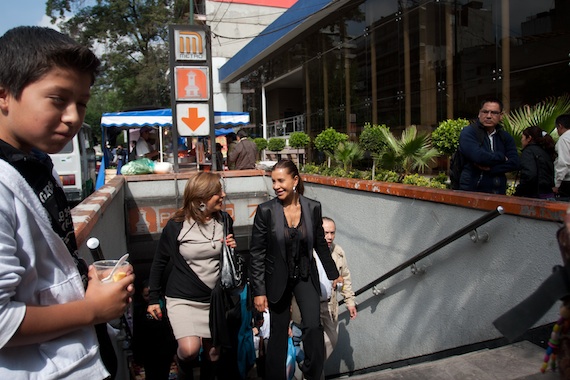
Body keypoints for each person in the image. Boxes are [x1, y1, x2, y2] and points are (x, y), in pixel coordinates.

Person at [0, 26, 134, 379]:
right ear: (4, 95)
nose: (74, 116)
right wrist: (91, 309)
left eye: (82, 103)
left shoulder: (36, 163)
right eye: (58, 99)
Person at [250, 159, 342, 380]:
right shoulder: (266, 211)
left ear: (295, 180)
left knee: (313, 326)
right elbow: (256, 253)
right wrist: (259, 291)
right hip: (276, 279)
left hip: (304, 275)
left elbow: (320, 243)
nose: (276, 186)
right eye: (273, 181)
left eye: (280, 180)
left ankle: (311, 374)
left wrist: (333, 273)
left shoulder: (313, 207)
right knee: (278, 334)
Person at [146, 172, 237, 380]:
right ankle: (182, 369)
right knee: (189, 350)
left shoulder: (224, 220)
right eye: (217, 192)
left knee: (213, 354)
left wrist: (231, 248)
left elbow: (229, 260)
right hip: (183, 298)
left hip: (213, 300)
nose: (223, 195)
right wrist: (153, 298)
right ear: (201, 198)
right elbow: (159, 262)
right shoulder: (177, 225)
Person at [458, 97, 519, 194]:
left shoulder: (505, 137)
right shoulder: (469, 132)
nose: (489, 116)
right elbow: (478, 156)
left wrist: (492, 168)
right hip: (472, 191)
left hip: (499, 192)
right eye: (485, 112)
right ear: (479, 114)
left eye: (494, 113)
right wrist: (502, 157)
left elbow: (515, 162)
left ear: (501, 116)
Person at [131, 280, 177, 380]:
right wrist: (137, 355)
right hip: (149, 351)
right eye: (146, 295)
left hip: (165, 349)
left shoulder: (166, 306)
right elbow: (138, 333)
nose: (150, 298)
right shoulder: (139, 309)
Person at [514, 126, 556, 199]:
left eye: (523, 137)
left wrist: (519, 192)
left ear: (529, 138)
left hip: (534, 196)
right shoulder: (546, 151)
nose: (521, 140)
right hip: (548, 194)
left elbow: (530, 174)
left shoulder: (528, 152)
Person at [554, 114, 570, 200]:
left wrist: (557, 184)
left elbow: (563, 163)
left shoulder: (564, 139)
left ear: (560, 126)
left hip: (567, 182)